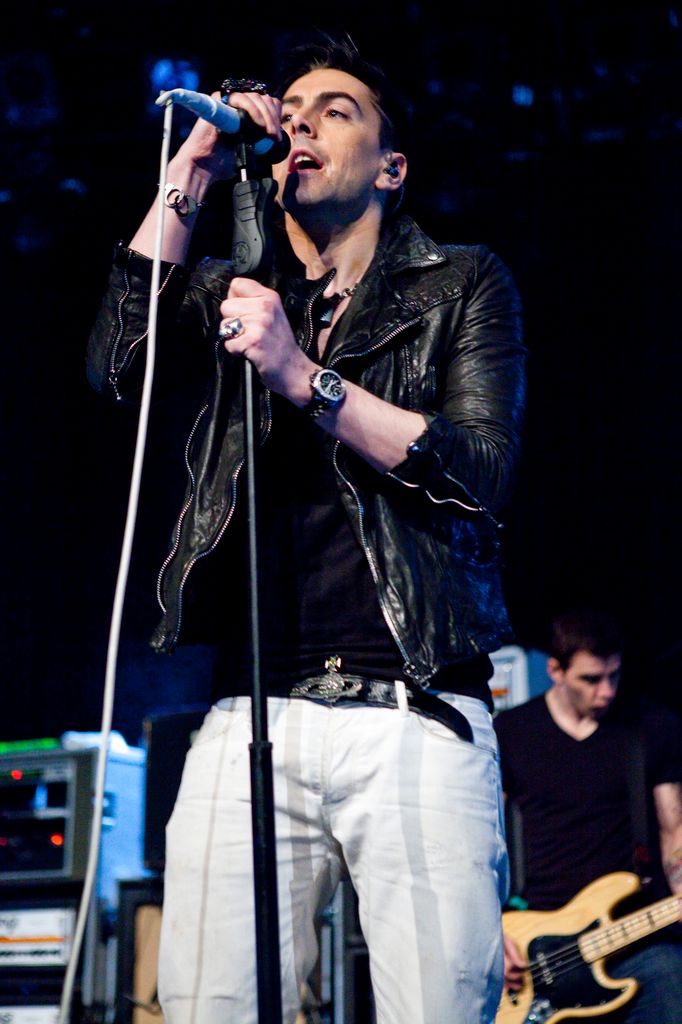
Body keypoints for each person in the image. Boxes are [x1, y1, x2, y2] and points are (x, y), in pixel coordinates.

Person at [87, 35, 526, 1024]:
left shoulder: (461, 284)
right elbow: (116, 362)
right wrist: (190, 171)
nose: (300, 123)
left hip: (414, 709)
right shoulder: (232, 297)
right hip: (254, 709)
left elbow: (477, 469)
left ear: (390, 165)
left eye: (333, 109)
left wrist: (303, 378)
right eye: (290, 109)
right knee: (208, 1005)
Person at [494, 609, 682, 1023]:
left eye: (614, 676)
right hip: (536, 942)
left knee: (671, 979)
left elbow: (674, 830)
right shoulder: (512, 731)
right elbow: (484, 836)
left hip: (633, 936)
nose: (606, 692)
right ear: (555, 670)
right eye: (591, 679)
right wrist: (491, 930)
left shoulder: (650, 727)